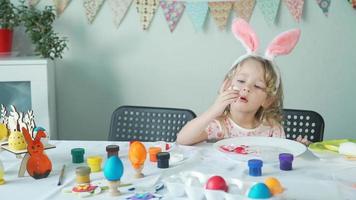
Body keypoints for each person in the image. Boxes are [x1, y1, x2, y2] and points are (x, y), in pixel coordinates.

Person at [176, 18, 309, 145]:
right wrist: (214, 110)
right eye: (241, 80)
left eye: (257, 86)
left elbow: (280, 159)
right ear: (227, 85)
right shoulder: (219, 125)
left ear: (267, 100)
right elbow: (182, 139)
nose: (246, 88)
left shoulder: (272, 130)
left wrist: (296, 149)